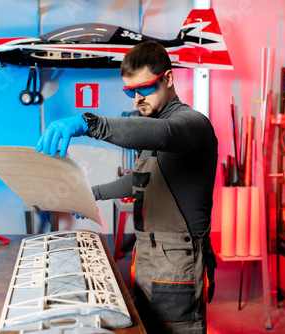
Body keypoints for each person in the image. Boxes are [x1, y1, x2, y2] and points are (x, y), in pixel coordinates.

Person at [36, 41, 217, 334]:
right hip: (148, 255)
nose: (136, 99)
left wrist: (88, 124)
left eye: (144, 88)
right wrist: (89, 194)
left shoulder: (190, 125)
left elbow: (165, 134)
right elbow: (140, 181)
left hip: (177, 263)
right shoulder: (154, 127)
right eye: (130, 91)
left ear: (168, 78)